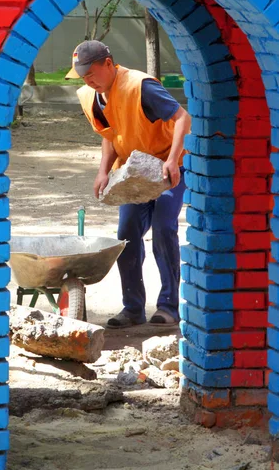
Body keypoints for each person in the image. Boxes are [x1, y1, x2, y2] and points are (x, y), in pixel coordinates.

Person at [65, 40, 191, 328]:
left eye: (92, 74)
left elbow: (182, 118)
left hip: (167, 166)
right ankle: (133, 308)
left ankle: (169, 307)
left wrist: (172, 160)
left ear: (109, 64)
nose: (89, 81)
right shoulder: (91, 96)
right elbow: (110, 134)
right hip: (132, 171)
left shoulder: (140, 86)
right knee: (127, 234)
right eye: (83, 77)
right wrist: (103, 171)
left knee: (164, 227)